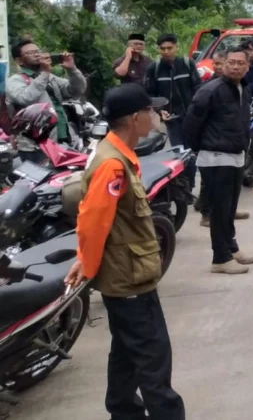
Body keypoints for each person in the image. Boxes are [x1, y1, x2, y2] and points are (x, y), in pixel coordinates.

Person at [66, 83, 184, 420]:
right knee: (153, 357)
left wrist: (85, 261)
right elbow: (93, 221)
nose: (156, 116)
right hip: (129, 278)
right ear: (135, 118)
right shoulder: (111, 165)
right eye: (150, 111)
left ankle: (123, 410)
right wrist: (86, 264)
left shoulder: (116, 153)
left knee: (126, 351)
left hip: (125, 273)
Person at [183, 45, 253, 274]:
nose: (235, 66)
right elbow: (192, 123)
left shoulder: (244, 88)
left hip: (235, 155)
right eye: (230, 62)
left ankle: (231, 248)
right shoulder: (210, 90)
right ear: (222, 65)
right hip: (215, 157)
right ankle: (220, 258)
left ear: (247, 66)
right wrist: (198, 148)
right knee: (220, 209)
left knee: (230, 208)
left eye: (240, 63)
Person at [6, 38, 87, 161]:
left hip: (61, 138)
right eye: (31, 53)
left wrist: (72, 69)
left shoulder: (50, 77)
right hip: (34, 146)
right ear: (19, 60)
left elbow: (76, 90)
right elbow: (25, 98)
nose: (37, 54)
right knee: (39, 178)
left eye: (37, 51)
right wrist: (44, 74)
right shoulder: (15, 80)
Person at [145, 34, 201, 189]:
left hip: (191, 118)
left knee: (192, 152)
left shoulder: (187, 64)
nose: (166, 51)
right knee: (179, 153)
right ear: (158, 49)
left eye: (169, 48)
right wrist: (160, 110)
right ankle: (184, 188)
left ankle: (190, 185)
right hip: (172, 119)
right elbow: (150, 95)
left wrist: (196, 109)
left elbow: (198, 87)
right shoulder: (153, 69)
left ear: (176, 47)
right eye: (162, 49)